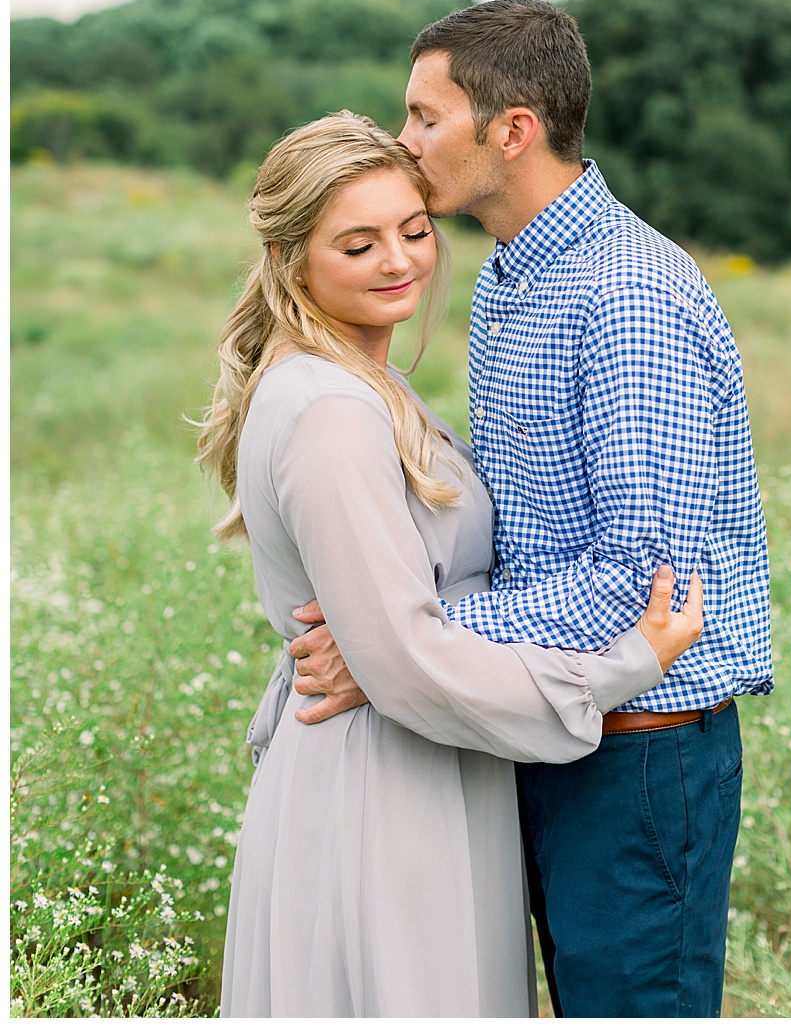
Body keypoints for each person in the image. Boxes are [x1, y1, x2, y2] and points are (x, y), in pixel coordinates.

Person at [291, 0, 774, 1017]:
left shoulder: (625, 296)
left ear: (509, 130)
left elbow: (641, 587)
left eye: (425, 117)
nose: (403, 140)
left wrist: (401, 640)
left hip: (641, 749)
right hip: (549, 720)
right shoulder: (515, 276)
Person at [199, 113, 704, 1016]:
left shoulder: (357, 379)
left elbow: (394, 643)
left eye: (414, 230)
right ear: (290, 258)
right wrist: (627, 665)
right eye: (358, 243)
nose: (399, 260)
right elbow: (403, 657)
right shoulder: (330, 413)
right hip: (386, 790)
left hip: (428, 761)